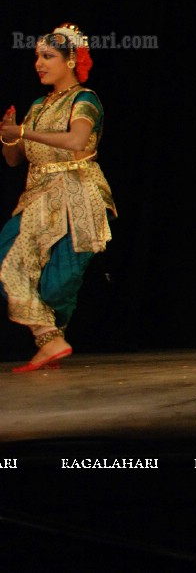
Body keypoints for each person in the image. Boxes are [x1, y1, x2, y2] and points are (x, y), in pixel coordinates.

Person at [0, 24, 116, 373]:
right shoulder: (37, 106)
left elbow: (77, 142)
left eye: (48, 56)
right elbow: (15, 159)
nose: (39, 63)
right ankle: (49, 338)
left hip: (78, 197)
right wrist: (10, 138)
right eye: (37, 56)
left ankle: (51, 340)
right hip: (36, 197)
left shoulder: (85, 99)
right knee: (7, 263)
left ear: (71, 61)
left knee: (55, 287)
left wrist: (23, 131)